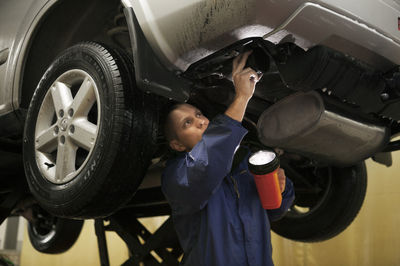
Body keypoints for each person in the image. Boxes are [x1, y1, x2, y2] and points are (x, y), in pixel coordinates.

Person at [162, 51, 295, 266]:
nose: (200, 121)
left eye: (198, 114)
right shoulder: (178, 176)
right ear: (177, 145)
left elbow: (276, 210)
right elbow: (206, 164)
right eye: (187, 123)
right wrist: (241, 97)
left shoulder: (246, 164)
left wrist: (282, 187)